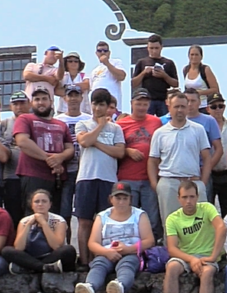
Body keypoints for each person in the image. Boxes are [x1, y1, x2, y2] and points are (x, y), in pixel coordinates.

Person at [76, 181, 154, 293]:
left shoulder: (139, 215)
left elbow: (149, 240)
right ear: (111, 199)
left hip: (131, 252)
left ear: (130, 199)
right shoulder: (102, 216)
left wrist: (128, 249)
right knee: (98, 265)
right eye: (118, 198)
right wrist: (107, 252)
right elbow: (92, 243)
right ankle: (90, 287)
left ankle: (120, 286)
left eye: (125, 198)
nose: (121, 202)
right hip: (107, 252)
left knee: (127, 266)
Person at [75, 88, 126, 265]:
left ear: (107, 106)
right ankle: (83, 261)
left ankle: (102, 260)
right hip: (86, 178)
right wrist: (101, 126)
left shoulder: (116, 128)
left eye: (101, 104)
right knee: (85, 221)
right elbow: (84, 141)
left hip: (108, 179)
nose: (97, 108)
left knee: (105, 222)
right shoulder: (82, 124)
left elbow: (119, 152)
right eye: (95, 104)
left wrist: (95, 142)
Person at [148, 92, 212, 231]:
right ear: (169, 107)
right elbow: (152, 161)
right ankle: (172, 253)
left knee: (199, 226)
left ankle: (199, 253)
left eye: (183, 106)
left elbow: (207, 158)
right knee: (170, 226)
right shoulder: (160, 133)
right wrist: (156, 184)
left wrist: (203, 182)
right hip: (168, 183)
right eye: (176, 106)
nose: (180, 110)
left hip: (193, 181)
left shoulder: (198, 129)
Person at [13, 88, 74, 214]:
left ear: (51, 102)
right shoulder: (25, 119)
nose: (41, 102)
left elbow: (70, 148)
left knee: (56, 217)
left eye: (44, 99)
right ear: (31, 103)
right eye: (37, 99)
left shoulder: (61, 124)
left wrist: (60, 157)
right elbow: (22, 141)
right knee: (33, 215)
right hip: (33, 175)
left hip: (57, 178)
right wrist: (50, 159)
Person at [163, 181, 226, 293]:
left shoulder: (207, 208)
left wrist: (213, 256)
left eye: (192, 197)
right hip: (185, 256)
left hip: (206, 256)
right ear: (178, 198)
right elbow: (172, 248)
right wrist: (192, 259)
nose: (188, 201)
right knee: (171, 267)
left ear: (197, 197)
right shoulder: (172, 218)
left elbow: (221, 228)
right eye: (184, 197)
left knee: (207, 273)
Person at [117, 87, 163, 242]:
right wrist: (128, 151)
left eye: (145, 104)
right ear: (131, 103)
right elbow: (114, 148)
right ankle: (130, 249)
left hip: (150, 178)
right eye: (138, 103)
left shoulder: (156, 122)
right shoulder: (121, 124)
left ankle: (153, 252)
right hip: (127, 178)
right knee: (129, 217)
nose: (142, 107)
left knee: (152, 219)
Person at [1, 189, 77, 274]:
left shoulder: (58, 220)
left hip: (51, 256)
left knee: (69, 250)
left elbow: (56, 246)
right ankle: (43, 267)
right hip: (30, 257)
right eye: (37, 202)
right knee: (6, 250)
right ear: (32, 205)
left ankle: (30, 268)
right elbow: (19, 248)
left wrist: (44, 223)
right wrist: (28, 225)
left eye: (44, 201)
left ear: (50, 205)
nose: (40, 204)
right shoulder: (24, 221)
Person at [55, 85, 90, 231]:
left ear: (82, 98)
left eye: (77, 95)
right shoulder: (57, 120)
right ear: (65, 98)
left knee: (84, 210)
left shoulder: (89, 119)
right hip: (66, 169)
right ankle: (66, 243)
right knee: (65, 209)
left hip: (85, 169)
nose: (73, 99)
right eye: (70, 96)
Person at [0, 90, 30, 226]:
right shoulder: (3, 125)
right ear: (10, 107)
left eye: (22, 103)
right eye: (15, 104)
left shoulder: (35, 122)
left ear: (29, 104)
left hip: (31, 175)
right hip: (11, 176)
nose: (19, 107)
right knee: (13, 215)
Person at [132, 34, 179, 116]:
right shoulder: (142, 62)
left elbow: (176, 84)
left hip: (163, 99)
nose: (154, 51)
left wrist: (164, 75)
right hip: (147, 100)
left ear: (161, 47)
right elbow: (133, 83)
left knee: (164, 123)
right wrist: (143, 73)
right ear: (147, 48)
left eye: (156, 48)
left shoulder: (168, 63)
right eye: (151, 48)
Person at [184, 87, 224, 179]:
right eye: (187, 100)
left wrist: (207, 168)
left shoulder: (209, 120)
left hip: (201, 170)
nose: (190, 104)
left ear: (199, 102)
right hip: (181, 171)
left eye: (193, 101)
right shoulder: (175, 120)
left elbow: (219, 149)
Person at [87, 41, 126, 108]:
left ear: (109, 53)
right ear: (96, 53)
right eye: (100, 51)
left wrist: (107, 63)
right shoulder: (94, 71)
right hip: (98, 105)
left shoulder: (115, 62)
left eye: (105, 51)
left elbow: (121, 76)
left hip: (112, 104)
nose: (102, 52)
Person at [183, 45, 219, 112]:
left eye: (196, 55)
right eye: (192, 54)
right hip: (190, 107)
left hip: (204, 106)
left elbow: (215, 89)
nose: (194, 57)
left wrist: (200, 93)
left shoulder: (205, 69)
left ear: (201, 56)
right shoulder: (186, 70)